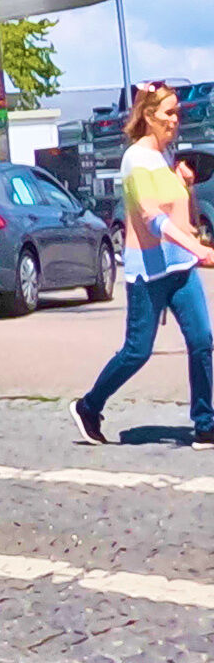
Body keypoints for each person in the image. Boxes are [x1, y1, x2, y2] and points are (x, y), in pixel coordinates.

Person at [75, 84, 211, 447]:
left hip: (180, 268)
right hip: (148, 273)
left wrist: (188, 185)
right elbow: (150, 217)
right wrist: (197, 248)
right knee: (137, 351)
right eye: (168, 112)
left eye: (177, 113)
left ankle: (205, 423)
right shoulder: (135, 161)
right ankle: (89, 406)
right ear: (149, 117)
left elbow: (180, 214)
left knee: (202, 342)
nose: (175, 120)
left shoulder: (166, 157)